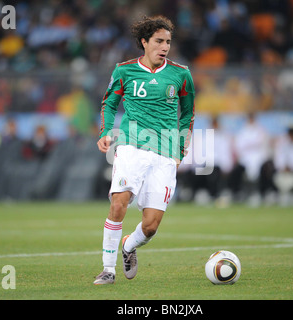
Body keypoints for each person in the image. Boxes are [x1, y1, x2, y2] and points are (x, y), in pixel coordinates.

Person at [94, 15, 195, 285]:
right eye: (159, 41)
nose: (164, 47)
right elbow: (109, 104)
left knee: (150, 226)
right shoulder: (124, 70)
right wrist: (105, 132)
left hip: (165, 153)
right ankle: (108, 269)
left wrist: (180, 150)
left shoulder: (181, 74)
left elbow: (188, 115)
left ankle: (129, 246)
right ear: (144, 42)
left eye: (168, 42)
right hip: (130, 145)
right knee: (118, 203)